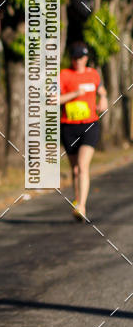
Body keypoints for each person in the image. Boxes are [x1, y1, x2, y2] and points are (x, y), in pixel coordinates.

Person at [59, 41, 108, 221]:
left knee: (83, 165)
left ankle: (82, 206)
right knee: (75, 170)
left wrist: (103, 98)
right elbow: (53, 99)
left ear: (86, 58)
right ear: (71, 59)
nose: (78, 61)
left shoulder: (94, 74)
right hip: (69, 126)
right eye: (75, 57)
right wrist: (74, 94)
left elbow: (101, 90)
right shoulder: (64, 75)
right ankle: (78, 201)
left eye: (81, 57)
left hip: (90, 125)